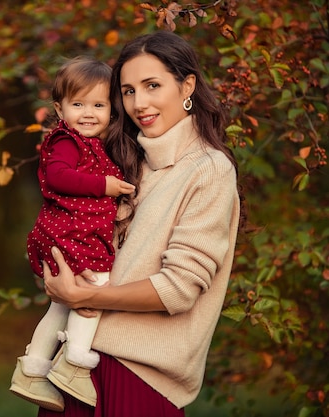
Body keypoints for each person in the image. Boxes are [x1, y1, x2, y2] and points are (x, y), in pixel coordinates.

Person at [37, 31, 244, 417]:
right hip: (74, 367)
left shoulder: (209, 170)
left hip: (139, 381)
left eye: (152, 86)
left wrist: (85, 297)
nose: (139, 103)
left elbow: (177, 290)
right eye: (128, 91)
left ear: (187, 85)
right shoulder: (124, 162)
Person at [10, 56, 136, 412]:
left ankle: (33, 369)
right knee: (95, 290)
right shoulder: (67, 141)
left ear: (112, 110)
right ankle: (75, 365)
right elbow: (58, 177)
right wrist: (105, 185)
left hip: (70, 234)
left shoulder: (95, 144)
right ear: (59, 109)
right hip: (70, 234)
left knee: (61, 305)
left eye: (98, 105)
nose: (88, 113)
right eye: (78, 104)